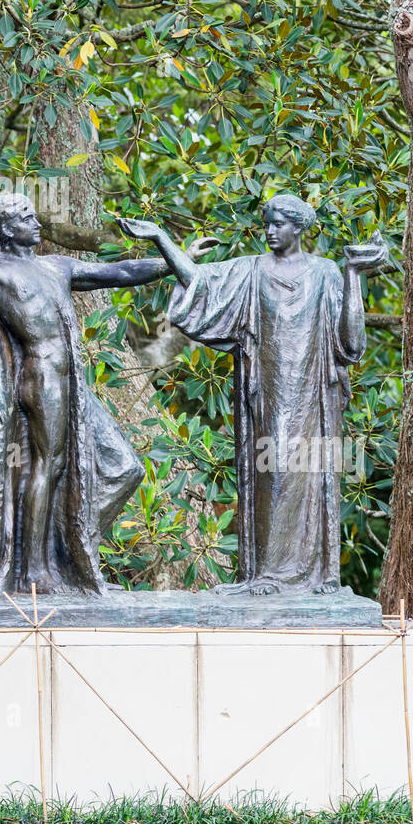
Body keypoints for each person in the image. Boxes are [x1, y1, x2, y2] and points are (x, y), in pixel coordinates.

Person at [0, 177, 215, 596]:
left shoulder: (56, 266)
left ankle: (65, 552)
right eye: (25, 216)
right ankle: (33, 570)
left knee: (125, 467)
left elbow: (118, 272)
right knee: (49, 467)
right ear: (5, 228)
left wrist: (174, 257)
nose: (35, 220)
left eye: (33, 213)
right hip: (41, 377)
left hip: (71, 382)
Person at [120, 195, 389, 596]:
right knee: (271, 474)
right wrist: (161, 237)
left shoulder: (326, 272)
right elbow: (198, 281)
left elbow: (351, 344)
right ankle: (265, 574)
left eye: (279, 223)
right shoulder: (251, 270)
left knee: (306, 477)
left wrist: (353, 274)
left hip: (313, 397)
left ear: (299, 228)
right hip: (266, 394)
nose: (270, 230)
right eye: (267, 222)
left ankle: (305, 577)